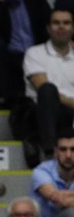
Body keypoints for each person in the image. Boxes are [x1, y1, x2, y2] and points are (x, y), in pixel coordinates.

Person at [24, 9, 74, 162]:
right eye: (56, 23)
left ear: (73, 28)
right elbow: (43, 88)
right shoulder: (35, 53)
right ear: (48, 28)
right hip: (48, 112)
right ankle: (49, 152)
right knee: (47, 90)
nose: (61, 27)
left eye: (66, 23)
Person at [32, 128, 74, 217]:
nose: (68, 155)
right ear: (56, 152)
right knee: (71, 215)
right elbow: (59, 200)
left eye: (73, 149)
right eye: (63, 149)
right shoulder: (41, 171)